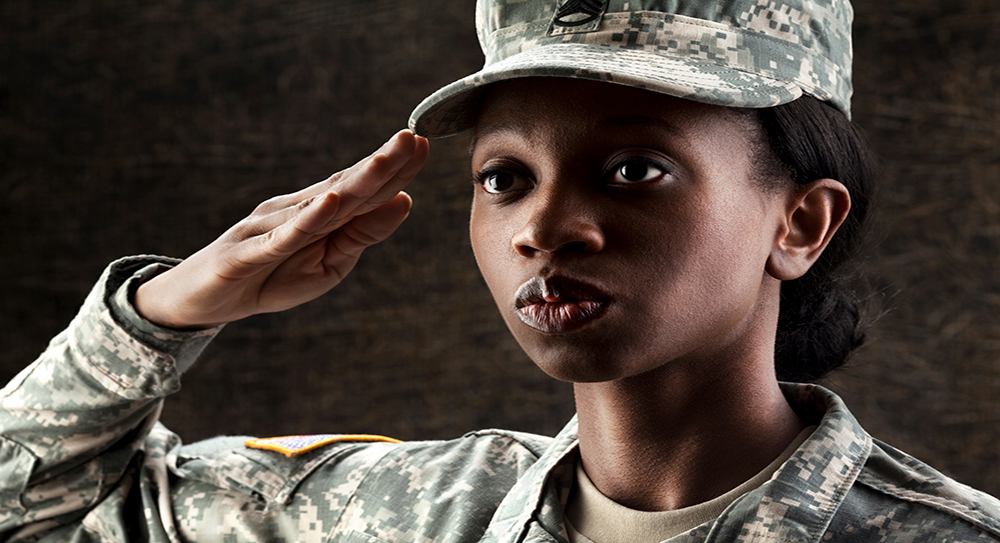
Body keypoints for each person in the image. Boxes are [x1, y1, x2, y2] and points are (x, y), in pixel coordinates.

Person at [2, 0, 999, 541]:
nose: (544, 227)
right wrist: (160, 314)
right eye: (504, 177)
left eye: (633, 169)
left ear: (801, 221)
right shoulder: (395, 518)